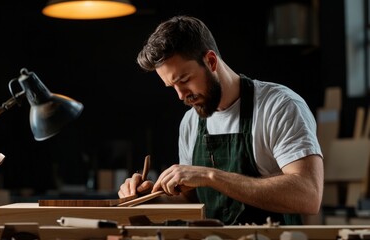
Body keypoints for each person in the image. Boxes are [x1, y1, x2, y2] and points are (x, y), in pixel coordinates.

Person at [118, 15, 324, 225]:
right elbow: (193, 199)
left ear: (211, 61)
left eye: (185, 80)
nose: (181, 96)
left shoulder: (278, 106)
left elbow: (308, 196)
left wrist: (210, 176)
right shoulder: (191, 122)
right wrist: (148, 200)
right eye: (173, 87)